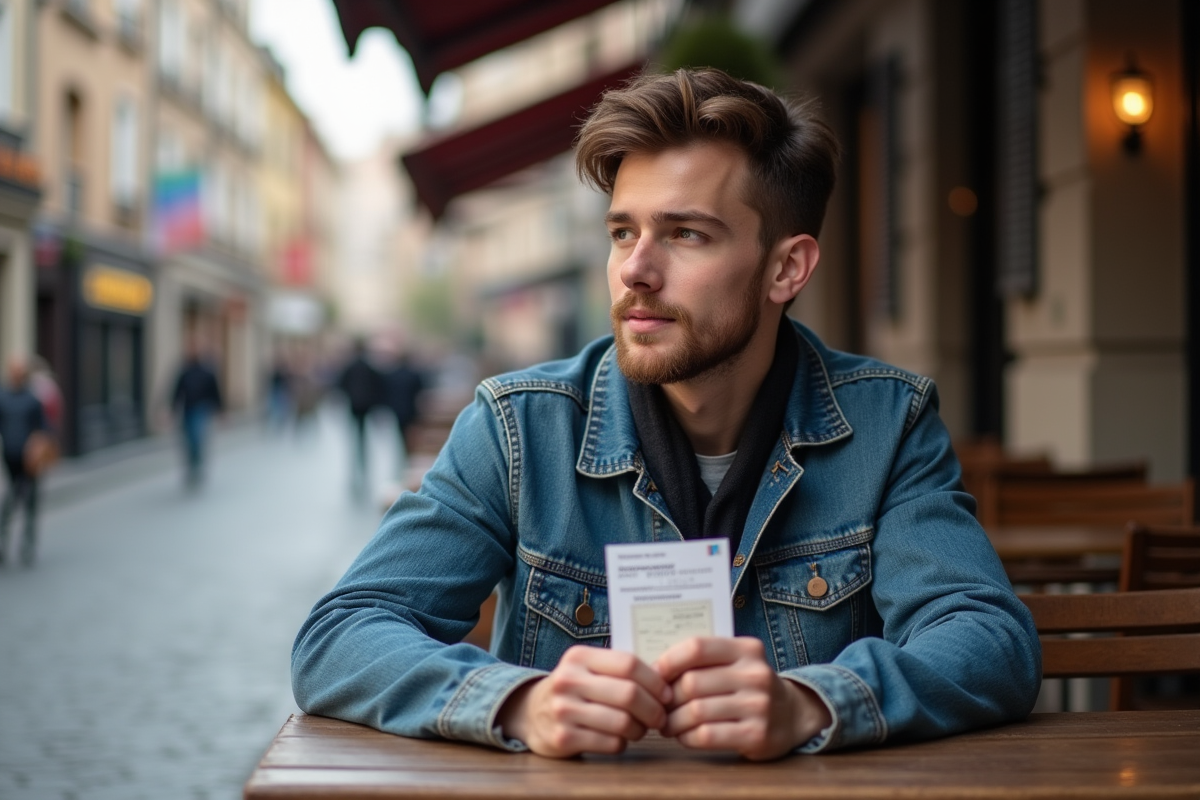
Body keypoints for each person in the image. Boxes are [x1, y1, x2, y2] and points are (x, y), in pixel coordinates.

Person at [293, 69, 1040, 760]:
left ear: (787, 268)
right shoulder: (520, 429)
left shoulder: (886, 424)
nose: (635, 271)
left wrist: (813, 703)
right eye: (624, 231)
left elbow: (989, 639)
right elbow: (340, 636)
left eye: (686, 234)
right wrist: (519, 701)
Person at [0, 356, 48, 566]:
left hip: (30, 459)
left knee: (30, 501)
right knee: (11, 499)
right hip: (10, 456)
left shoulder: (33, 399)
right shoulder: (3, 397)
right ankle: (3, 542)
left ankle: (28, 544)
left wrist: (36, 448)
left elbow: (43, 429)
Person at [335, 338, 384, 494]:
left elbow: (340, 384)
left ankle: (355, 470)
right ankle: (363, 469)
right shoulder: (369, 366)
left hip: (354, 407)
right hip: (366, 407)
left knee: (355, 439)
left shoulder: (350, 366)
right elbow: (378, 385)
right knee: (363, 439)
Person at [172, 341, 223, 487]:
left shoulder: (207, 372)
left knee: (197, 437)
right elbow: (176, 391)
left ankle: (197, 464)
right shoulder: (185, 371)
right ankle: (192, 465)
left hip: (201, 410)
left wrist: (220, 410)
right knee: (188, 440)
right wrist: (171, 409)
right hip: (187, 409)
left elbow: (215, 392)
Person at [382, 350, 424, 466]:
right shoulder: (413, 374)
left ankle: (401, 457)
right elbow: (420, 391)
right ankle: (407, 455)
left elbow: (386, 392)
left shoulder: (391, 374)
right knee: (409, 434)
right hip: (410, 409)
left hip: (396, 409)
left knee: (399, 433)